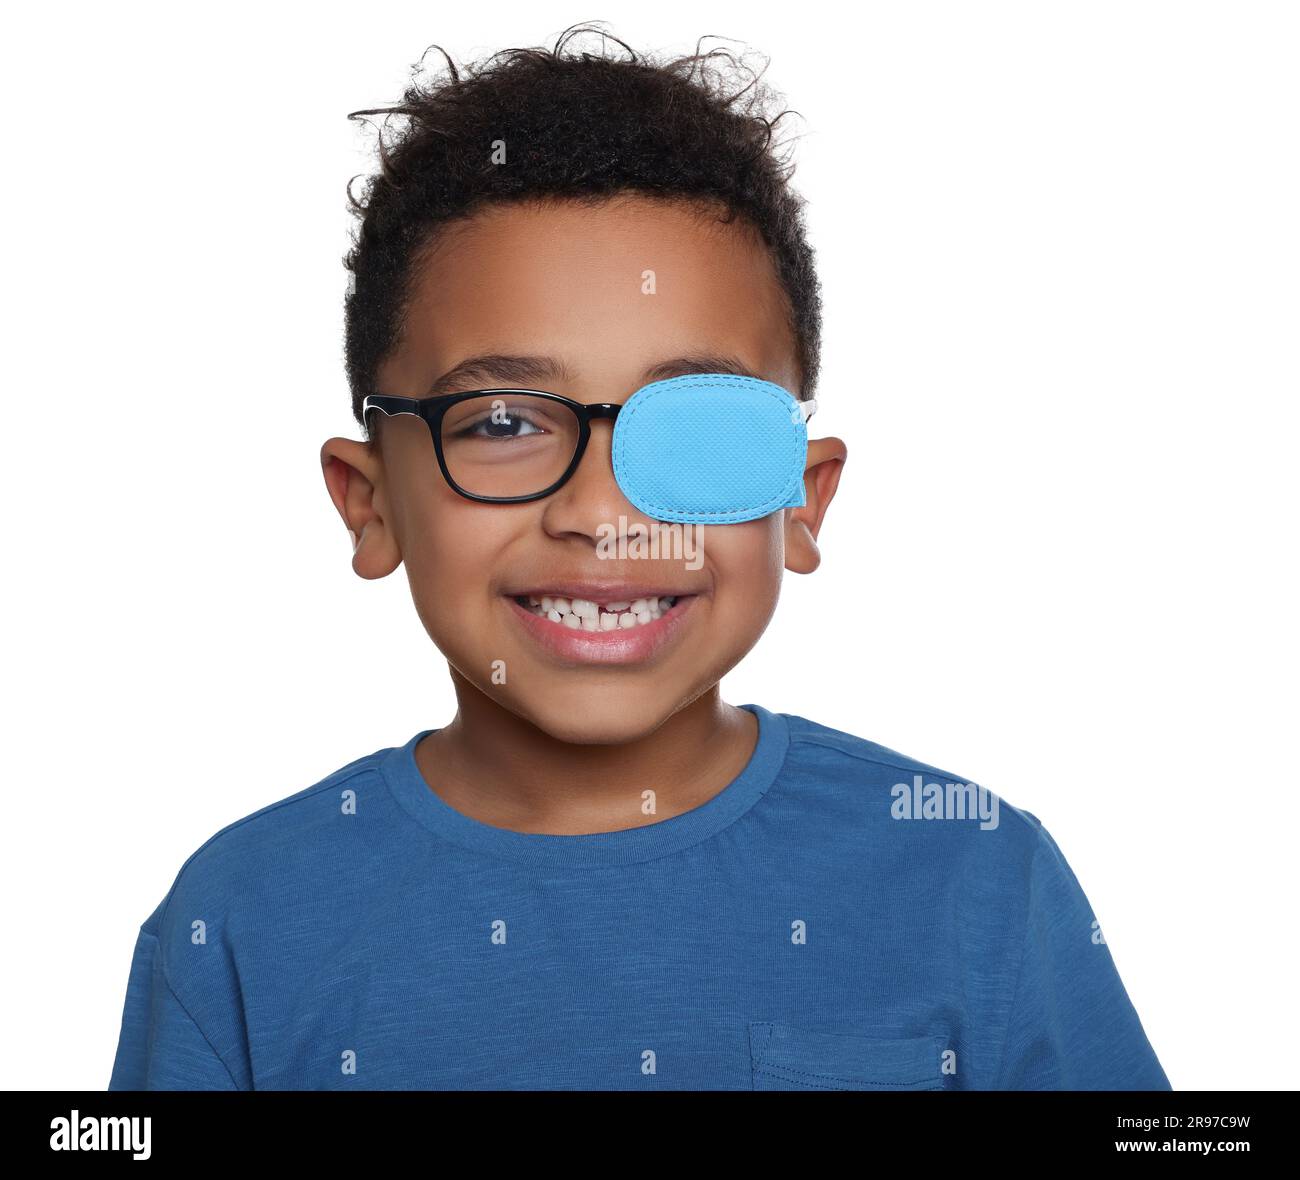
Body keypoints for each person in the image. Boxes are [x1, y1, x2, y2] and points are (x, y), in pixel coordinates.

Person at [108, 24, 1169, 1091]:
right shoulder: (239, 924)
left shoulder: (973, 879)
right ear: (369, 502)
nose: (602, 512)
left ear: (801, 503)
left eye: (696, 432)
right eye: (505, 422)